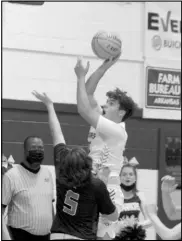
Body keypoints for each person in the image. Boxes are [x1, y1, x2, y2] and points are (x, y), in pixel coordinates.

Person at [32, 91, 119, 240]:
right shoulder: (96, 184)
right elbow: (112, 216)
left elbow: (56, 134)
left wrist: (50, 106)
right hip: (81, 236)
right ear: (87, 165)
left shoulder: (61, 171)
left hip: (57, 236)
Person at [74, 56, 138, 239]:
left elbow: (83, 109)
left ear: (121, 113)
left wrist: (79, 76)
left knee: (102, 236)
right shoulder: (102, 119)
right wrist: (104, 67)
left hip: (107, 187)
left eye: (110, 104)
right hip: (92, 181)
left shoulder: (117, 131)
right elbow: (86, 93)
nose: (104, 105)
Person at [2, 136, 54, 240]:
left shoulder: (47, 173)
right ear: (25, 151)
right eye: (34, 148)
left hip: (46, 236)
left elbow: (50, 205)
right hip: (19, 235)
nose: (38, 151)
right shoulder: (11, 176)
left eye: (40, 148)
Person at [115, 158, 151, 238]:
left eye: (131, 174)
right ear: (120, 177)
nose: (128, 177)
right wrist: (120, 226)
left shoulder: (140, 196)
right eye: (124, 174)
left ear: (135, 178)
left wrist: (134, 225)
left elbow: (149, 221)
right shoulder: (114, 195)